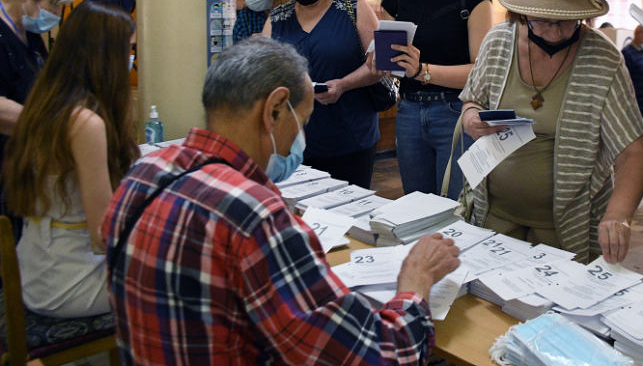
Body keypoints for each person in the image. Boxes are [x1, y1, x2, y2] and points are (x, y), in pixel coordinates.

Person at [101, 37, 461, 366]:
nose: (301, 138)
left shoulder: (143, 173)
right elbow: (379, 356)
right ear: (274, 110)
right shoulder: (256, 217)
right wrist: (416, 281)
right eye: (302, 121)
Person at [459, 0, 643, 264]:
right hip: (492, 215)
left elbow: (635, 153)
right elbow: (473, 99)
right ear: (522, 13)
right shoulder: (498, 41)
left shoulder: (602, 59)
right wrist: (470, 118)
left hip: (566, 227)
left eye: (565, 22)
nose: (553, 32)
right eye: (542, 21)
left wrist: (618, 215)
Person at [3, 0, 138, 317]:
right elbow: (103, 234)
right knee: (185, 279)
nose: (131, 59)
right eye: (129, 50)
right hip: (70, 281)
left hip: (37, 267)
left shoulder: (46, 101)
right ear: (106, 56)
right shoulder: (85, 123)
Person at [377, 0, 493, 199]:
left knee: (456, 214)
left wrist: (422, 70)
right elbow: (391, 65)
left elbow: (480, 73)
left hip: (456, 111)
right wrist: (378, 60)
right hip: (408, 112)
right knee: (416, 210)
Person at [262, 0, 381, 188]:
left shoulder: (353, 7)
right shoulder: (278, 18)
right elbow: (263, 73)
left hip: (350, 136)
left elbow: (378, 65)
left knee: (348, 218)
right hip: (293, 141)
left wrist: (344, 84)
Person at [0, 0, 76, 237]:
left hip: (24, 163)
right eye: (53, 3)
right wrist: (53, 123)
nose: (56, 14)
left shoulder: (28, 35)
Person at [621, 25, 643, 126]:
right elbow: (624, 81)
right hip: (635, 106)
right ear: (638, 34)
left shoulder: (642, 53)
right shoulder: (627, 54)